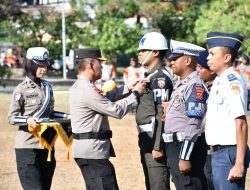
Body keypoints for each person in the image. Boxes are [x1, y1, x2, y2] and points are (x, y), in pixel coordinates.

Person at [70, 48, 145, 190]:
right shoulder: (87, 89)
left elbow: (104, 98)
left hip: (89, 151)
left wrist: (127, 88)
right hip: (93, 153)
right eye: (100, 63)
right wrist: (136, 94)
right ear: (91, 65)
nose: (102, 67)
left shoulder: (81, 86)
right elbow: (116, 111)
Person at [8, 47, 69, 190]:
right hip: (27, 148)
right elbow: (11, 117)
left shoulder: (47, 87)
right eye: (39, 65)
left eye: (45, 65)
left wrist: (68, 117)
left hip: (46, 148)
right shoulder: (21, 89)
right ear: (30, 64)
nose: (43, 69)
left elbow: (50, 113)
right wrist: (28, 120)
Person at [205, 32, 250, 190]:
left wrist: (239, 163)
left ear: (226, 58)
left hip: (229, 153)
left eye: (212, 54)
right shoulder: (219, 81)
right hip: (217, 153)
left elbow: (241, 122)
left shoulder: (232, 82)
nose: (207, 58)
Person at [163, 39, 208, 190]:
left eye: (175, 58)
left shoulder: (195, 85)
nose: (171, 62)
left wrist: (184, 156)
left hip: (185, 146)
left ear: (188, 60)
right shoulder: (182, 84)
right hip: (175, 146)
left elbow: (194, 122)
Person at [136, 32, 173, 190]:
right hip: (146, 137)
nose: (140, 54)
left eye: (143, 50)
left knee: (158, 184)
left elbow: (162, 113)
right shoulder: (150, 75)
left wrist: (158, 146)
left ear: (156, 52)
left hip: (154, 138)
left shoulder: (160, 78)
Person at [196, 50, 217, 190]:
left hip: (212, 146)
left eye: (201, 68)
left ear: (212, 72)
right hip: (200, 143)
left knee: (211, 179)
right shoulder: (200, 87)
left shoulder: (217, 88)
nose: (197, 71)